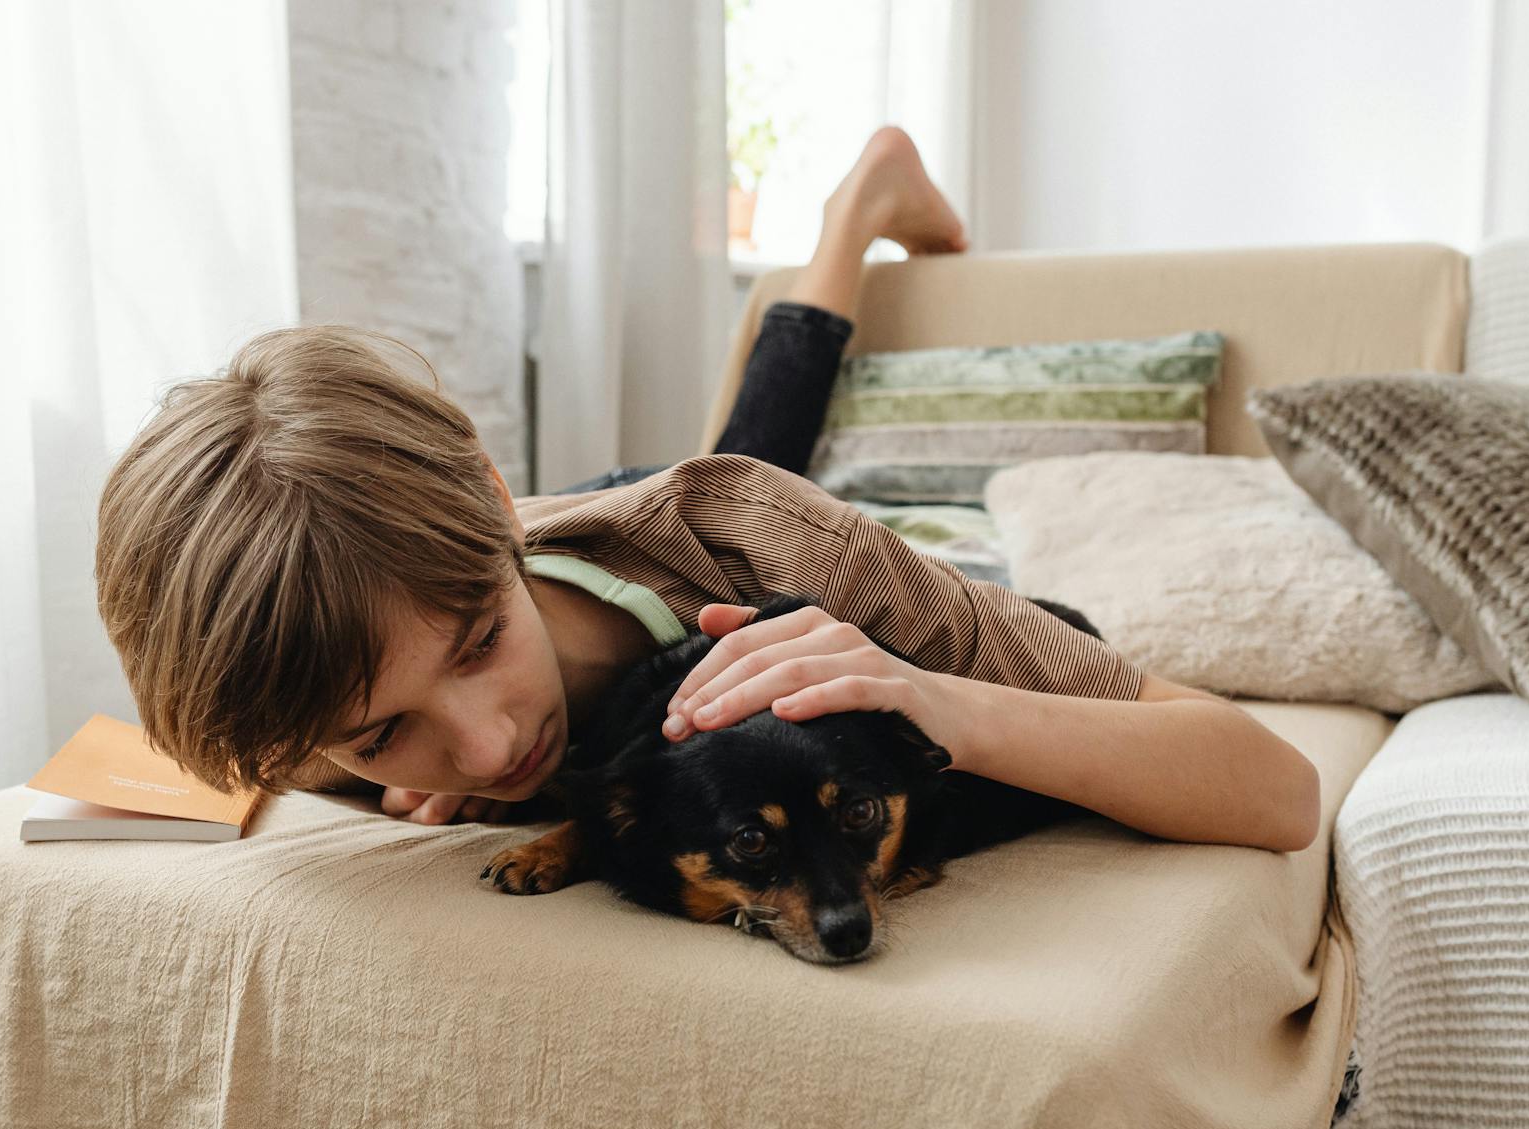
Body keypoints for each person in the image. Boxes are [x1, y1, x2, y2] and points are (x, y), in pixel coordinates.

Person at [93, 127, 1320, 852]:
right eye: (383, 729)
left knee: (754, 479)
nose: (490, 742)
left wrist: (924, 694)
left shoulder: (761, 539)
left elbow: (1276, 785)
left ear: (484, 483)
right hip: (617, 539)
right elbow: (149, 755)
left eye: (479, 644)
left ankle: (858, 208)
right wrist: (343, 763)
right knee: (742, 462)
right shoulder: (315, 690)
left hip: (715, 542)